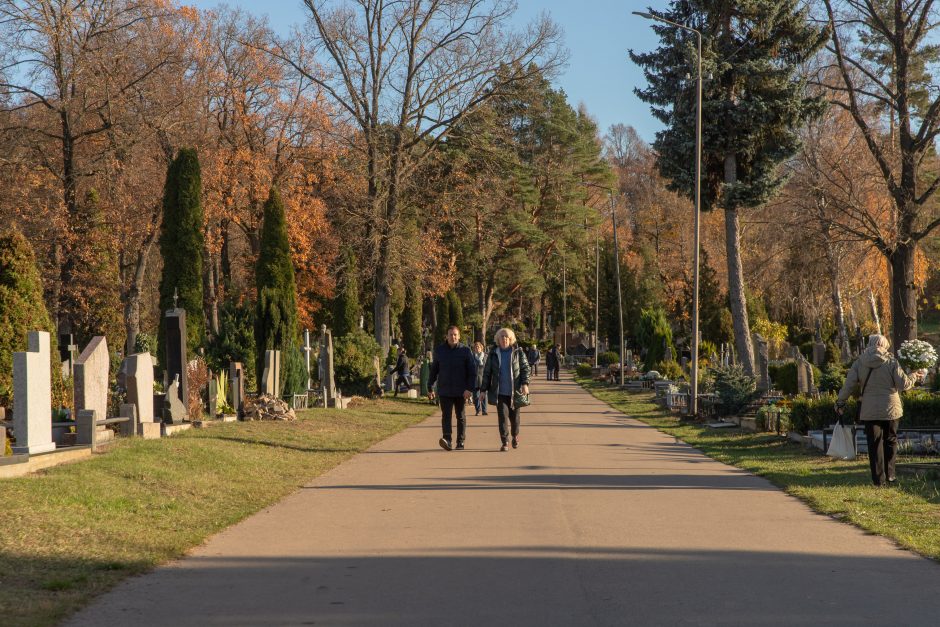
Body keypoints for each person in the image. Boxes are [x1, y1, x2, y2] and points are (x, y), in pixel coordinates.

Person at [836, 334, 924, 487]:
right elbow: (903, 384)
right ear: (885, 345)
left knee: (874, 443)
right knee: (890, 441)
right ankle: (890, 475)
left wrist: (840, 401)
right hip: (891, 409)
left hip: (869, 410)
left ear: (870, 344)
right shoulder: (891, 362)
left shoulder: (860, 363)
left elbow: (849, 385)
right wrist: (913, 375)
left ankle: (878, 480)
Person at [480, 327, 531, 451]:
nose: (504, 339)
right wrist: (483, 390)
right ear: (498, 339)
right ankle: (505, 442)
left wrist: (525, 383)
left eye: (506, 337)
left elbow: (525, 368)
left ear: (511, 339)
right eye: (502, 337)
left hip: (515, 392)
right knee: (502, 417)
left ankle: (515, 435)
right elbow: (487, 373)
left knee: (515, 419)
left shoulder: (518, 352)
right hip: (500, 392)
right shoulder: (493, 354)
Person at [428, 326, 476, 451]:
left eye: (455, 335)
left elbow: (472, 371)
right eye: (450, 334)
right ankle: (447, 440)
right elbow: (434, 370)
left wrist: (469, 389)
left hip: (461, 391)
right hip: (444, 390)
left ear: (459, 336)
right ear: (447, 336)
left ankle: (460, 441)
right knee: (446, 416)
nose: (453, 337)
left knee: (460, 416)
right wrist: (430, 386)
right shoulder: (440, 351)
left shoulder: (465, 351)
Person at [471, 341, 488, 416]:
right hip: (474, 379)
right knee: (476, 396)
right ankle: (478, 410)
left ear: (481, 348)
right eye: (475, 347)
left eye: (478, 347)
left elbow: (488, 368)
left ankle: (484, 410)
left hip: (483, 379)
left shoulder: (485, 357)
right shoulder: (471, 357)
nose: (477, 348)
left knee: (484, 395)